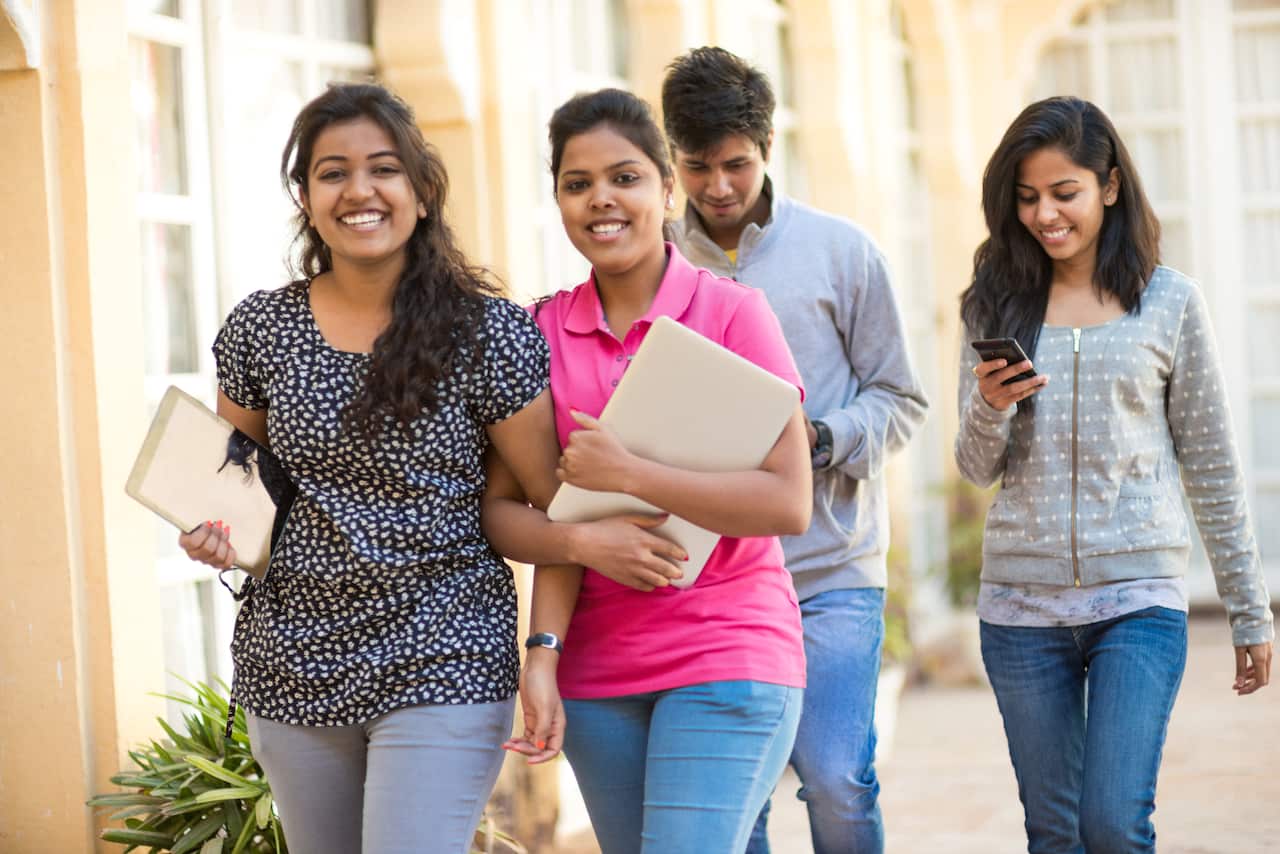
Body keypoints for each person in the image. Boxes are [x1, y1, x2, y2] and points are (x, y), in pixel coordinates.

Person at [176, 82, 564, 854]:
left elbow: (558, 507)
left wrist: (542, 654)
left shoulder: (487, 332)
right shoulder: (262, 329)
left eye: (384, 169)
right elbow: (233, 490)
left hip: (443, 651)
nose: (360, 190)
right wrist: (213, 534)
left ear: (421, 191)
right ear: (305, 197)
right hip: (292, 659)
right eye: (332, 172)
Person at [480, 88, 812, 854]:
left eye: (625, 177)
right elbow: (503, 512)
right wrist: (578, 563)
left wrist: (629, 474)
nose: (602, 199)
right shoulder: (535, 333)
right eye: (577, 183)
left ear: (667, 188)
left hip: (730, 649)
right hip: (597, 676)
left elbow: (788, 500)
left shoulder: (733, 314)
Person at [955, 95, 1273, 852]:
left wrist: (1248, 608)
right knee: (1054, 832)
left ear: (1109, 185)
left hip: (1138, 602)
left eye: (1063, 193)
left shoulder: (1169, 303)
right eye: (1027, 198)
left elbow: (1213, 464)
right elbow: (974, 469)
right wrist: (989, 408)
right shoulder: (997, 305)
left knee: (1113, 823)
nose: (1044, 215)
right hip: (1020, 613)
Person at [661, 46, 929, 854]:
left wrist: (824, 438)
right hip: (710, 582)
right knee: (739, 804)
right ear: (672, 158)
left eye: (735, 164)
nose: (717, 187)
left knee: (839, 781)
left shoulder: (843, 253)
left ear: (768, 148)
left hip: (831, 570)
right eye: (697, 166)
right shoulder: (654, 263)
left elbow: (902, 399)